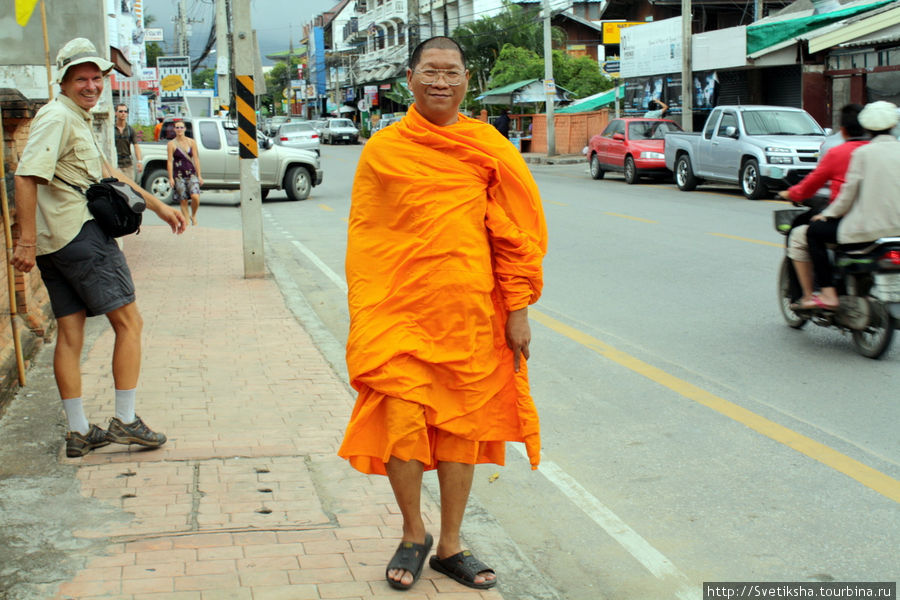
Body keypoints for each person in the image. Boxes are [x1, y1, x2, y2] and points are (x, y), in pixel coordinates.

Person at [338, 36, 547, 592]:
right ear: (409, 78)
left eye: (450, 72)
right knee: (403, 424)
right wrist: (365, 310)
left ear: (467, 80)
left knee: (460, 429)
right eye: (429, 71)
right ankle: (413, 533)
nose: (440, 82)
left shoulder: (489, 147)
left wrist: (518, 311)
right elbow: (366, 239)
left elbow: (514, 238)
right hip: (399, 315)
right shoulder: (383, 149)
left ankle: (451, 544)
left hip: (468, 315)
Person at [11, 38, 186, 458]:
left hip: (58, 243)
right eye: (80, 79)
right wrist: (25, 242)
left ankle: (78, 432)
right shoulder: (57, 117)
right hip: (79, 236)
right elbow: (25, 175)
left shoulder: (74, 117)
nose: (91, 86)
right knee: (130, 323)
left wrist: (159, 205)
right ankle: (126, 421)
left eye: (96, 78)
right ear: (63, 81)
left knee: (69, 333)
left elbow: (106, 172)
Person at [801, 101, 900, 310]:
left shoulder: (862, 154)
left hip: (868, 230)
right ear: (893, 125)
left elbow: (847, 195)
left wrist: (827, 214)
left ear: (866, 128)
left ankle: (828, 293)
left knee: (814, 232)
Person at [777, 104, 868, 307]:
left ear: (842, 130)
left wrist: (789, 193)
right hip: (881, 222)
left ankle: (815, 294)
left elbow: (809, 187)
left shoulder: (839, 153)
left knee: (805, 234)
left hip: (847, 220)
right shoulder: (881, 152)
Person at [166, 119, 203, 226]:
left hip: (191, 173)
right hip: (179, 175)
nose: (179, 130)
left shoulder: (191, 142)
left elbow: (196, 159)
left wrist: (199, 175)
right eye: (177, 127)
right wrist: (171, 177)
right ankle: (186, 221)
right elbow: (169, 161)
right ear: (174, 129)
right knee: (183, 200)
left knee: (195, 196)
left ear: (185, 129)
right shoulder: (171, 144)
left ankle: (194, 215)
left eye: (181, 127)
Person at [114, 103, 142, 182]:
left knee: (129, 188)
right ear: (116, 113)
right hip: (115, 164)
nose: (123, 113)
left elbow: (136, 146)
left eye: (125, 111)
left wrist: (139, 161)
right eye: (120, 111)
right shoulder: (111, 129)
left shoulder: (130, 130)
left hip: (128, 164)